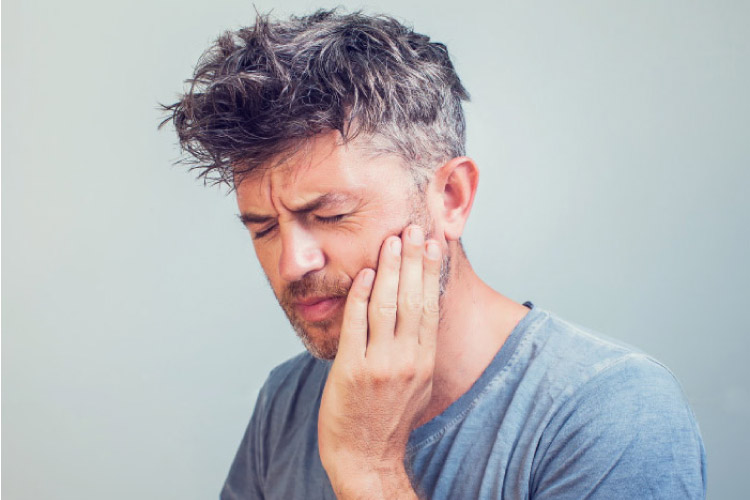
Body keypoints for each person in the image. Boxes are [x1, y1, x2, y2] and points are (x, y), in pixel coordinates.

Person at [162, 9, 706, 499]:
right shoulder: (287, 397)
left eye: (329, 215)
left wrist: (368, 470)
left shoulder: (613, 412)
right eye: (263, 229)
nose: (291, 263)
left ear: (451, 198)